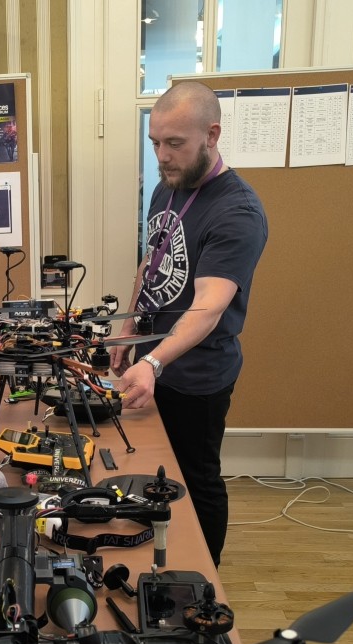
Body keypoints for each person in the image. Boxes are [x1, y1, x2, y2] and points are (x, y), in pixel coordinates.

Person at [110, 81, 268, 567]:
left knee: (198, 479)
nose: (162, 155)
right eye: (155, 141)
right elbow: (151, 260)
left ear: (211, 135)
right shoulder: (168, 185)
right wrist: (130, 328)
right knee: (156, 469)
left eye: (175, 143)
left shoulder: (237, 211)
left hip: (197, 377)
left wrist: (153, 361)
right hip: (153, 363)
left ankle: (206, 575)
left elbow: (208, 307)